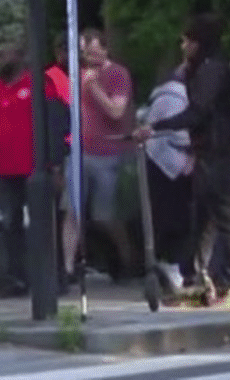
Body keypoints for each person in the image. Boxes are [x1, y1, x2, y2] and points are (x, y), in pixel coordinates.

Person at [136, 13, 230, 309]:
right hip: (211, 150)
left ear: (198, 43)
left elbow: (197, 112)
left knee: (226, 215)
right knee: (205, 218)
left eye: (186, 40)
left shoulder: (212, 71)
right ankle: (197, 279)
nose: (182, 45)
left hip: (218, 151)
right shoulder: (210, 68)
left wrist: (156, 127)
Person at [0, 42, 70, 297]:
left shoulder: (40, 84)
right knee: (9, 224)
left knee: (43, 223)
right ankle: (16, 278)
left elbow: (56, 123)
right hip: (4, 169)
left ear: (20, 56)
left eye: (3, 52)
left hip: (36, 167)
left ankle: (53, 277)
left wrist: (55, 164)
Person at [61, 29, 134, 286]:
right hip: (80, 151)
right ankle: (68, 267)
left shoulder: (117, 74)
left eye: (93, 51)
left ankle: (127, 258)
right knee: (73, 209)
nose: (89, 57)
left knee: (105, 215)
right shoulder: (77, 75)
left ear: (105, 50)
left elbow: (116, 111)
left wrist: (94, 87)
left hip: (108, 154)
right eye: (85, 52)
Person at [140, 68, 195, 295]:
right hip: (171, 161)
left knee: (165, 216)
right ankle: (173, 266)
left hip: (159, 158)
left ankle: (170, 265)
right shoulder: (179, 96)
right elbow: (184, 129)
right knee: (177, 217)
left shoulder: (164, 96)